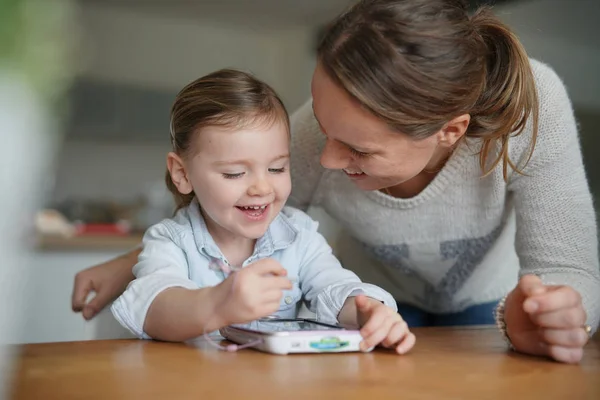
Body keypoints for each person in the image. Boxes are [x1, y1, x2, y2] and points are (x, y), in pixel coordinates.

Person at [72, 0, 599, 363]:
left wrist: (549, 317)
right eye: (322, 129)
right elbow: (221, 222)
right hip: (373, 307)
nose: (321, 158)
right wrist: (135, 265)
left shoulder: (532, 109)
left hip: (488, 302)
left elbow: (568, 270)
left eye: (358, 149)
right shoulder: (299, 141)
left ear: (450, 132)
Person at [109, 68, 414, 353]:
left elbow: (334, 286)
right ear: (183, 174)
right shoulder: (171, 241)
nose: (262, 188)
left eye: (276, 167)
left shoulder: (299, 236)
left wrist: (368, 310)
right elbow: (152, 307)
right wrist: (218, 303)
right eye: (234, 173)